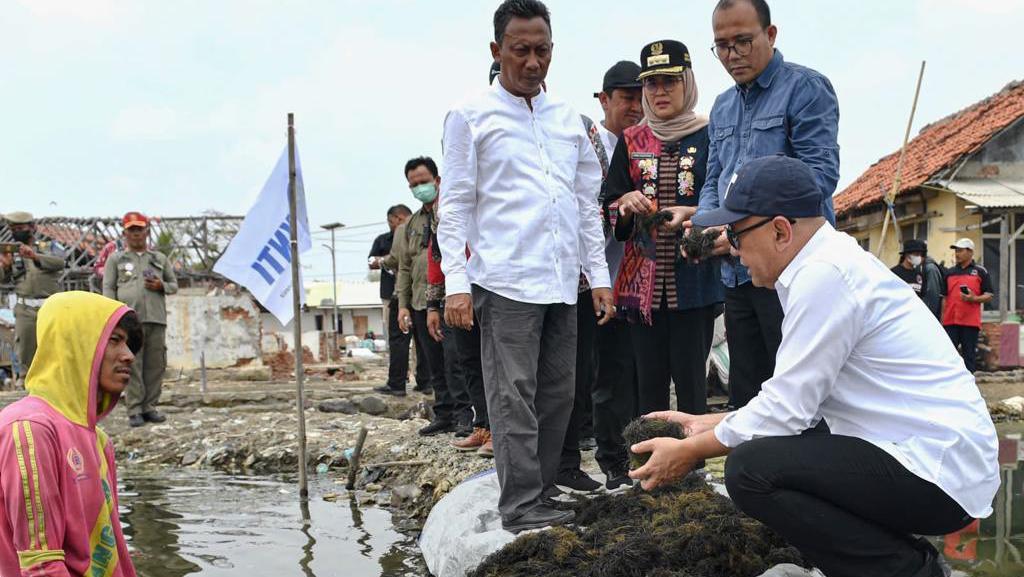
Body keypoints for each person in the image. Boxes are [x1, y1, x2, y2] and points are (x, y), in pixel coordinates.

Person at [632, 155, 998, 577]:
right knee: (787, 446)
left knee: (752, 470)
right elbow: (797, 405)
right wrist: (703, 423)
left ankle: (910, 570)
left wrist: (691, 451)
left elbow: (785, 412)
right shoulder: (823, 264)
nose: (732, 250)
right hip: (926, 456)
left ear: (781, 230)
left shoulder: (824, 275)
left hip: (937, 469)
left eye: (736, 233)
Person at [438, 0, 613, 532]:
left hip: (563, 282)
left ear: (552, 51)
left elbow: (585, 204)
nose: (532, 62)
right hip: (505, 281)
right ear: (497, 51)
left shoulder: (568, 121)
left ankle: (541, 492)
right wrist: (456, 284)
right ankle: (519, 505)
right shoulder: (470, 117)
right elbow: (456, 204)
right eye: (521, 51)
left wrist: (599, 277)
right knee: (512, 397)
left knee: (559, 394)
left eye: (542, 51)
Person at [695, 0, 840, 409]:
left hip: (792, 273)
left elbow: (817, 180)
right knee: (749, 396)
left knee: (800, 397)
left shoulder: (806, 89)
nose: (732, 54)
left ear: (770, 35)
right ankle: (752, 474)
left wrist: (739, 229)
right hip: (738, 275)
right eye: (721, 45)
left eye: (743, 41)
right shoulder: (722, 105)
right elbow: (714, 181)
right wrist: (707, 228)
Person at [605, 40, 723, 428]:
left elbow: (722, 195)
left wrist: (695, 214)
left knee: (691, 385)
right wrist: (627, 202)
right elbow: (610, 202)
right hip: (643, 289)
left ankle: (693, 469)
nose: (659, 92)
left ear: (687, 82)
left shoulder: (709, 135)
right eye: (651, 84)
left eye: (669, 82)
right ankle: (650, 468)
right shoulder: (631, 141)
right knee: (648, 386)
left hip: (695, 283)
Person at [0, 291, 144, 577]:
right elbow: (41, 566)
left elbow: (109, 548)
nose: (128, 356)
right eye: (114, 340)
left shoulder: (99, 441)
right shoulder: (30, 430)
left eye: (128, 344)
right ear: (74, 345)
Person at [552, 61, 646, 494]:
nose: (636, 106)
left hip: (636, 282)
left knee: (625, 374)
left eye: (641, 96)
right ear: (604, 99)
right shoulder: (586, 141)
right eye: (627, 97)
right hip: (588, 282)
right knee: (578, 375)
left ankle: (626, 457)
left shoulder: (649, 147)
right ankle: (574, 461)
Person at [393, 157, 473, 435]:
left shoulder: (451, 212)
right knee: (433, 363)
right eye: (414, 184)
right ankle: (444, 413)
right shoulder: (410, 225)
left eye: (424, 182)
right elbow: (404, 266)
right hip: (420, 301)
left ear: (437, 180)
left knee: (456, 360)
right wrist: (402, 306)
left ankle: (466, 416)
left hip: (451, 298)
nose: (420, 188)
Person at [102, 212, 178, 428]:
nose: (136, 235)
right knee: (132, 364)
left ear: (147, 232)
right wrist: (113, 315)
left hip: (156, 319)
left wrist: (161, 285)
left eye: (140, 230)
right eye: (131, 230)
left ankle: (149, 407)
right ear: (124, 233)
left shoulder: (159, 259)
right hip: (129, 321)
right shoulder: (116, 259)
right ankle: (134, 409)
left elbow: (174, 285)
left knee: (156, 364)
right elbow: (108, 287)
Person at [0, 212, 65, 383]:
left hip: (50, 307)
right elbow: (4, 280)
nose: (17, 232)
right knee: (26, 353)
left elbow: (60, 263)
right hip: (25, 309)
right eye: (13, 229)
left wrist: (35, 256)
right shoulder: (10, 251)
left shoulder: (49, 246)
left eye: (21, 228)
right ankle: (27, 391)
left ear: (32, 227)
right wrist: (5, 267)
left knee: (54, 351)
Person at [369, 204, 420, 396]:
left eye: (391, 221)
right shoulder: (425, 222)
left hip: (403, 293)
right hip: (423, 292)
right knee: (422, 342)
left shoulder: (403, 228)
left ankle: (396, 383)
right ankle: (425, 381)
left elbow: (397, 259)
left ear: (398, 218)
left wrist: (381, 261)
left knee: (399, 339)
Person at [942, 238, 993, 373]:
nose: (957, 254)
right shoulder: (949, 272)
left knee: (969, 357)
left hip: (970, 323)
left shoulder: (980, 271)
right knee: (948, 356)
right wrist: (941, 320)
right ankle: (948, 386)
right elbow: (944, 298)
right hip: (950, 322)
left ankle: (969, 387)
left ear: (970, 252)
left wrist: (974, 298)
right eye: (955, 251)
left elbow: (989, 295)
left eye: (960, 250)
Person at [891, 238, 944, 320]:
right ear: (907, 255)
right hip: (899, 317)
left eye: (920, 254)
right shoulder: (894, 273)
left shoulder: (919, 274)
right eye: (916, 254)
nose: (919, 257)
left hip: (915, 317)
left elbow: (922, 296)